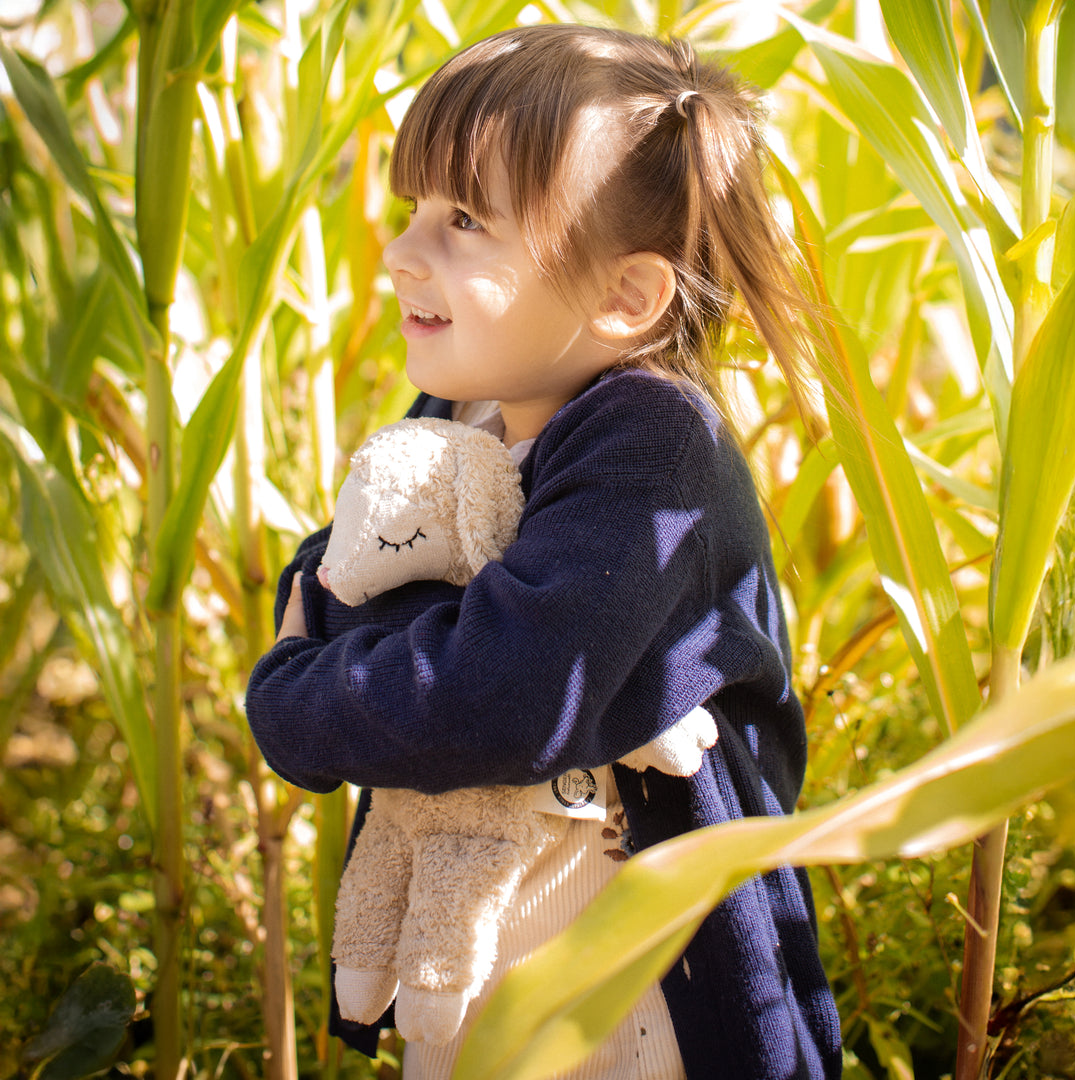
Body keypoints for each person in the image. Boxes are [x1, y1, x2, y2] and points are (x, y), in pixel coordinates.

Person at [246, 22, 842, 1080]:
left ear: (627, 296)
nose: (401, 250)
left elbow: (503, 698)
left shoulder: (654, 448)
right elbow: (343, 567)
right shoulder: (471, 403)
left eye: (466, 219)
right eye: (416, 209)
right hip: (495, 962)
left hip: (630, 975)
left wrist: (294, 703)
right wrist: (375, 621)